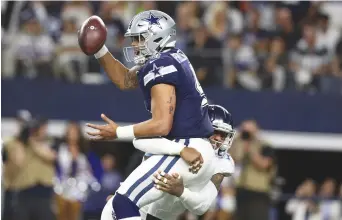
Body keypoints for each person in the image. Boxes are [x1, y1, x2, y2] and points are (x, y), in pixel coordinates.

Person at [80, 10, 216, 220]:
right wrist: (100, 50)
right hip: (187, 150)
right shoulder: (170, 58)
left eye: (139, 39)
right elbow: (125, 80)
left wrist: (118, 132)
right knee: (112, 213)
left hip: (185, 149)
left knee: (122, 203)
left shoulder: (160, 64)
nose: (134, 45)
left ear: (158, 36)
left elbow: (162, 124)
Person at [105, 105, 236, 220]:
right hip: (137, 206)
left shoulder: (222, 163)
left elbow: (202, 206)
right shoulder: (182, 137)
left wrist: (181, 191)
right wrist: (182, 150)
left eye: (223, 135)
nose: (218, 138)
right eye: (215, 131)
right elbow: (139, 140)